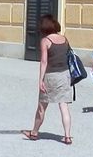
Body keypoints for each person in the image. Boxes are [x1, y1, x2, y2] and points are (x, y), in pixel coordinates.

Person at [23, 14, 75, 145]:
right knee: (64, 106)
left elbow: (44, 62)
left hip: (51, 76)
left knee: (42, 107)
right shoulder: (64, 39)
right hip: (65, 75)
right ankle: (67, 136)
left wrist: (40, 80)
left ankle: (34, 132)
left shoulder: (45, 41)